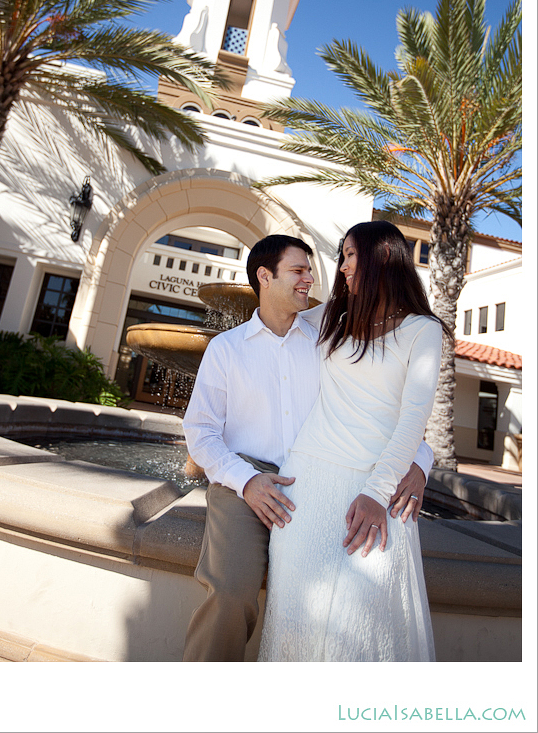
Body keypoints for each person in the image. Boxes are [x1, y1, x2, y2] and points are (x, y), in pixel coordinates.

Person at [182, 233, 434, 662]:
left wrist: (421, 462)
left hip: (313, 479)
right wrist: (246, 482)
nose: (312, 279)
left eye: (311, 270)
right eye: (298, 271)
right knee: (228, 594)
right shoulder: (227, 348)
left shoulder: (328, 332)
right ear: (265, 276)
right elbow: (200, 432)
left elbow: (384, 404)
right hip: (245, 479)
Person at [257, 221, 450, 662]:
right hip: (306, 483)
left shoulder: (424, 330)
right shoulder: (334, 318)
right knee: (294, 614)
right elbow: (277, 310)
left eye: (348, 255)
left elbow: (413, 419)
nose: (341, 268)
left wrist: (380, 491)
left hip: (375, 488)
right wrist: (270, 277)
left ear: (381, 256)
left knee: (363, 624)